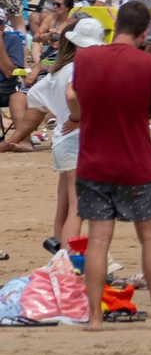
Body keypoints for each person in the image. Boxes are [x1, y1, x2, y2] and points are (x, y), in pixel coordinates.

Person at [67, 2, 151, 330]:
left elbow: (76, 101)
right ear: (145, 31)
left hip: (92, 163)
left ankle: (94, 318)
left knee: (98, 239)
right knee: (150, 238)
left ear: (116, 25)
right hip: (137, 164)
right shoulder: (148, 64)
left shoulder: (84, 59)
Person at [8, 16, 102, 239]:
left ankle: (59, 250)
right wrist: (77, 117)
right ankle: (68, 257)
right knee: (78, 209)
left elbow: (35, 102)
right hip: (76, 140)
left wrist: (15, 138)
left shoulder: (59, 71)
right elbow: (73, 95)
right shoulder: (81, 69)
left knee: (64, 205)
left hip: (61, 141)